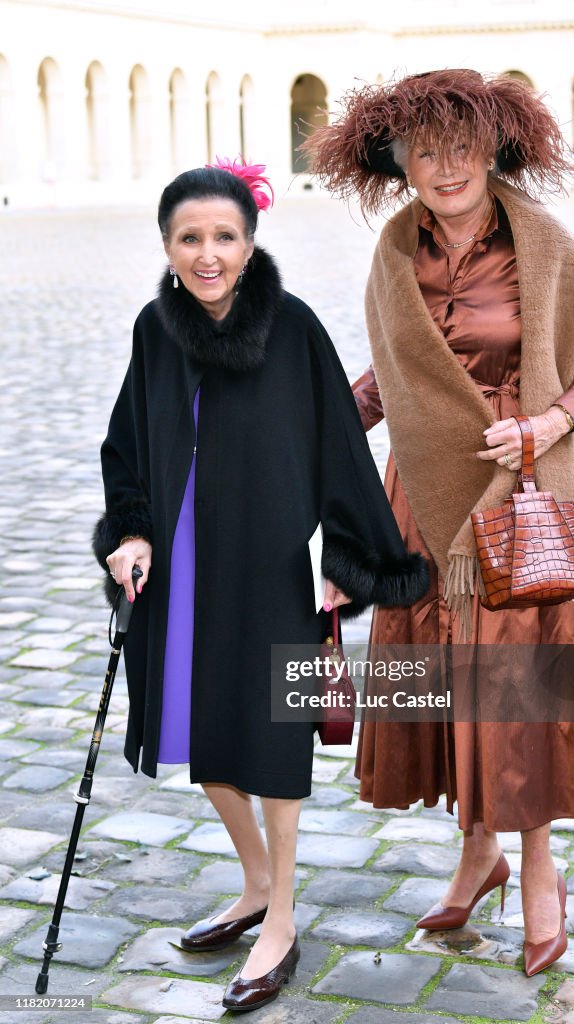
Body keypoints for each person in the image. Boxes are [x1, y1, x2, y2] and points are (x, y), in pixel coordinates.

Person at [306, 69, 574, 976]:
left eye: (459, 148)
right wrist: (306, 436)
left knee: (513, 697)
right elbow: (389, 383)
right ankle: (475, 852)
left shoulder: (541, 245)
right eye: (423, 151)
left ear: (490, 150)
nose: (443, 167)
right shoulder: (393, 253)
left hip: (516, 498)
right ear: (398, 161)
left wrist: (549, 422)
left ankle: (537, 869)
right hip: (419, 496)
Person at [92, 158, 428, 1013]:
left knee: (271, 744)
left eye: (224, 238)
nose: (208, 254)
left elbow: (338, 447)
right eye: (190, 239)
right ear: (167, 247)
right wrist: (129, 534)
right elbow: (127, 444)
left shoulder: (293, 327)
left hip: (273, 566)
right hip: (179, 570)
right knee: (201, 733)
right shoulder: (151, 329)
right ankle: (250, 884)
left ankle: (280, 916)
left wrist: (345, 563)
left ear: (250, 242)